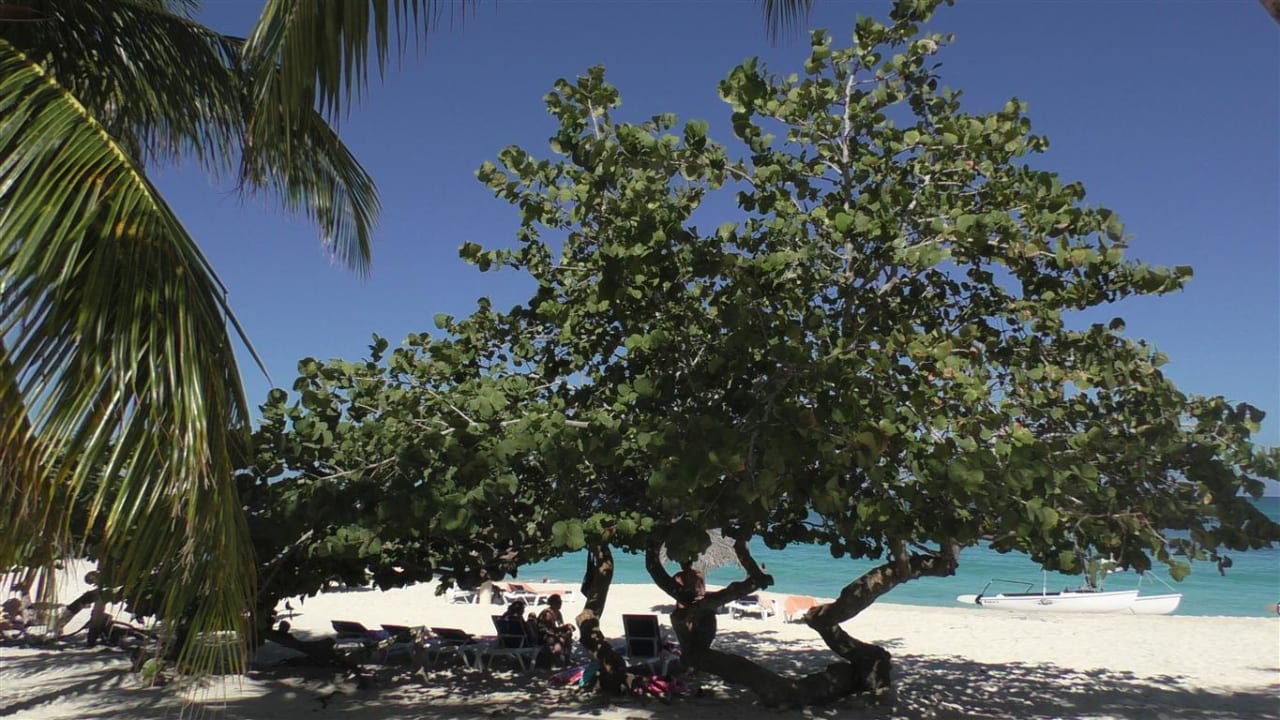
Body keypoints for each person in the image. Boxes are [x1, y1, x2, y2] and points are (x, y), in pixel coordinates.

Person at [535, 594, 575, 666]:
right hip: (544, 636)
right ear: (553, 603)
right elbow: (547, 629)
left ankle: (566, 658)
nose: (560, 604)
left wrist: (568, 627)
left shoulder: (558, 613)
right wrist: (560, 631)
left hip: (552, 633)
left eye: (560, 602)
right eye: (558, 602)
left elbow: (560, 625)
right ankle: (557, 659)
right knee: (560, 639)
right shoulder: (547, 614)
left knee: (567, 634)